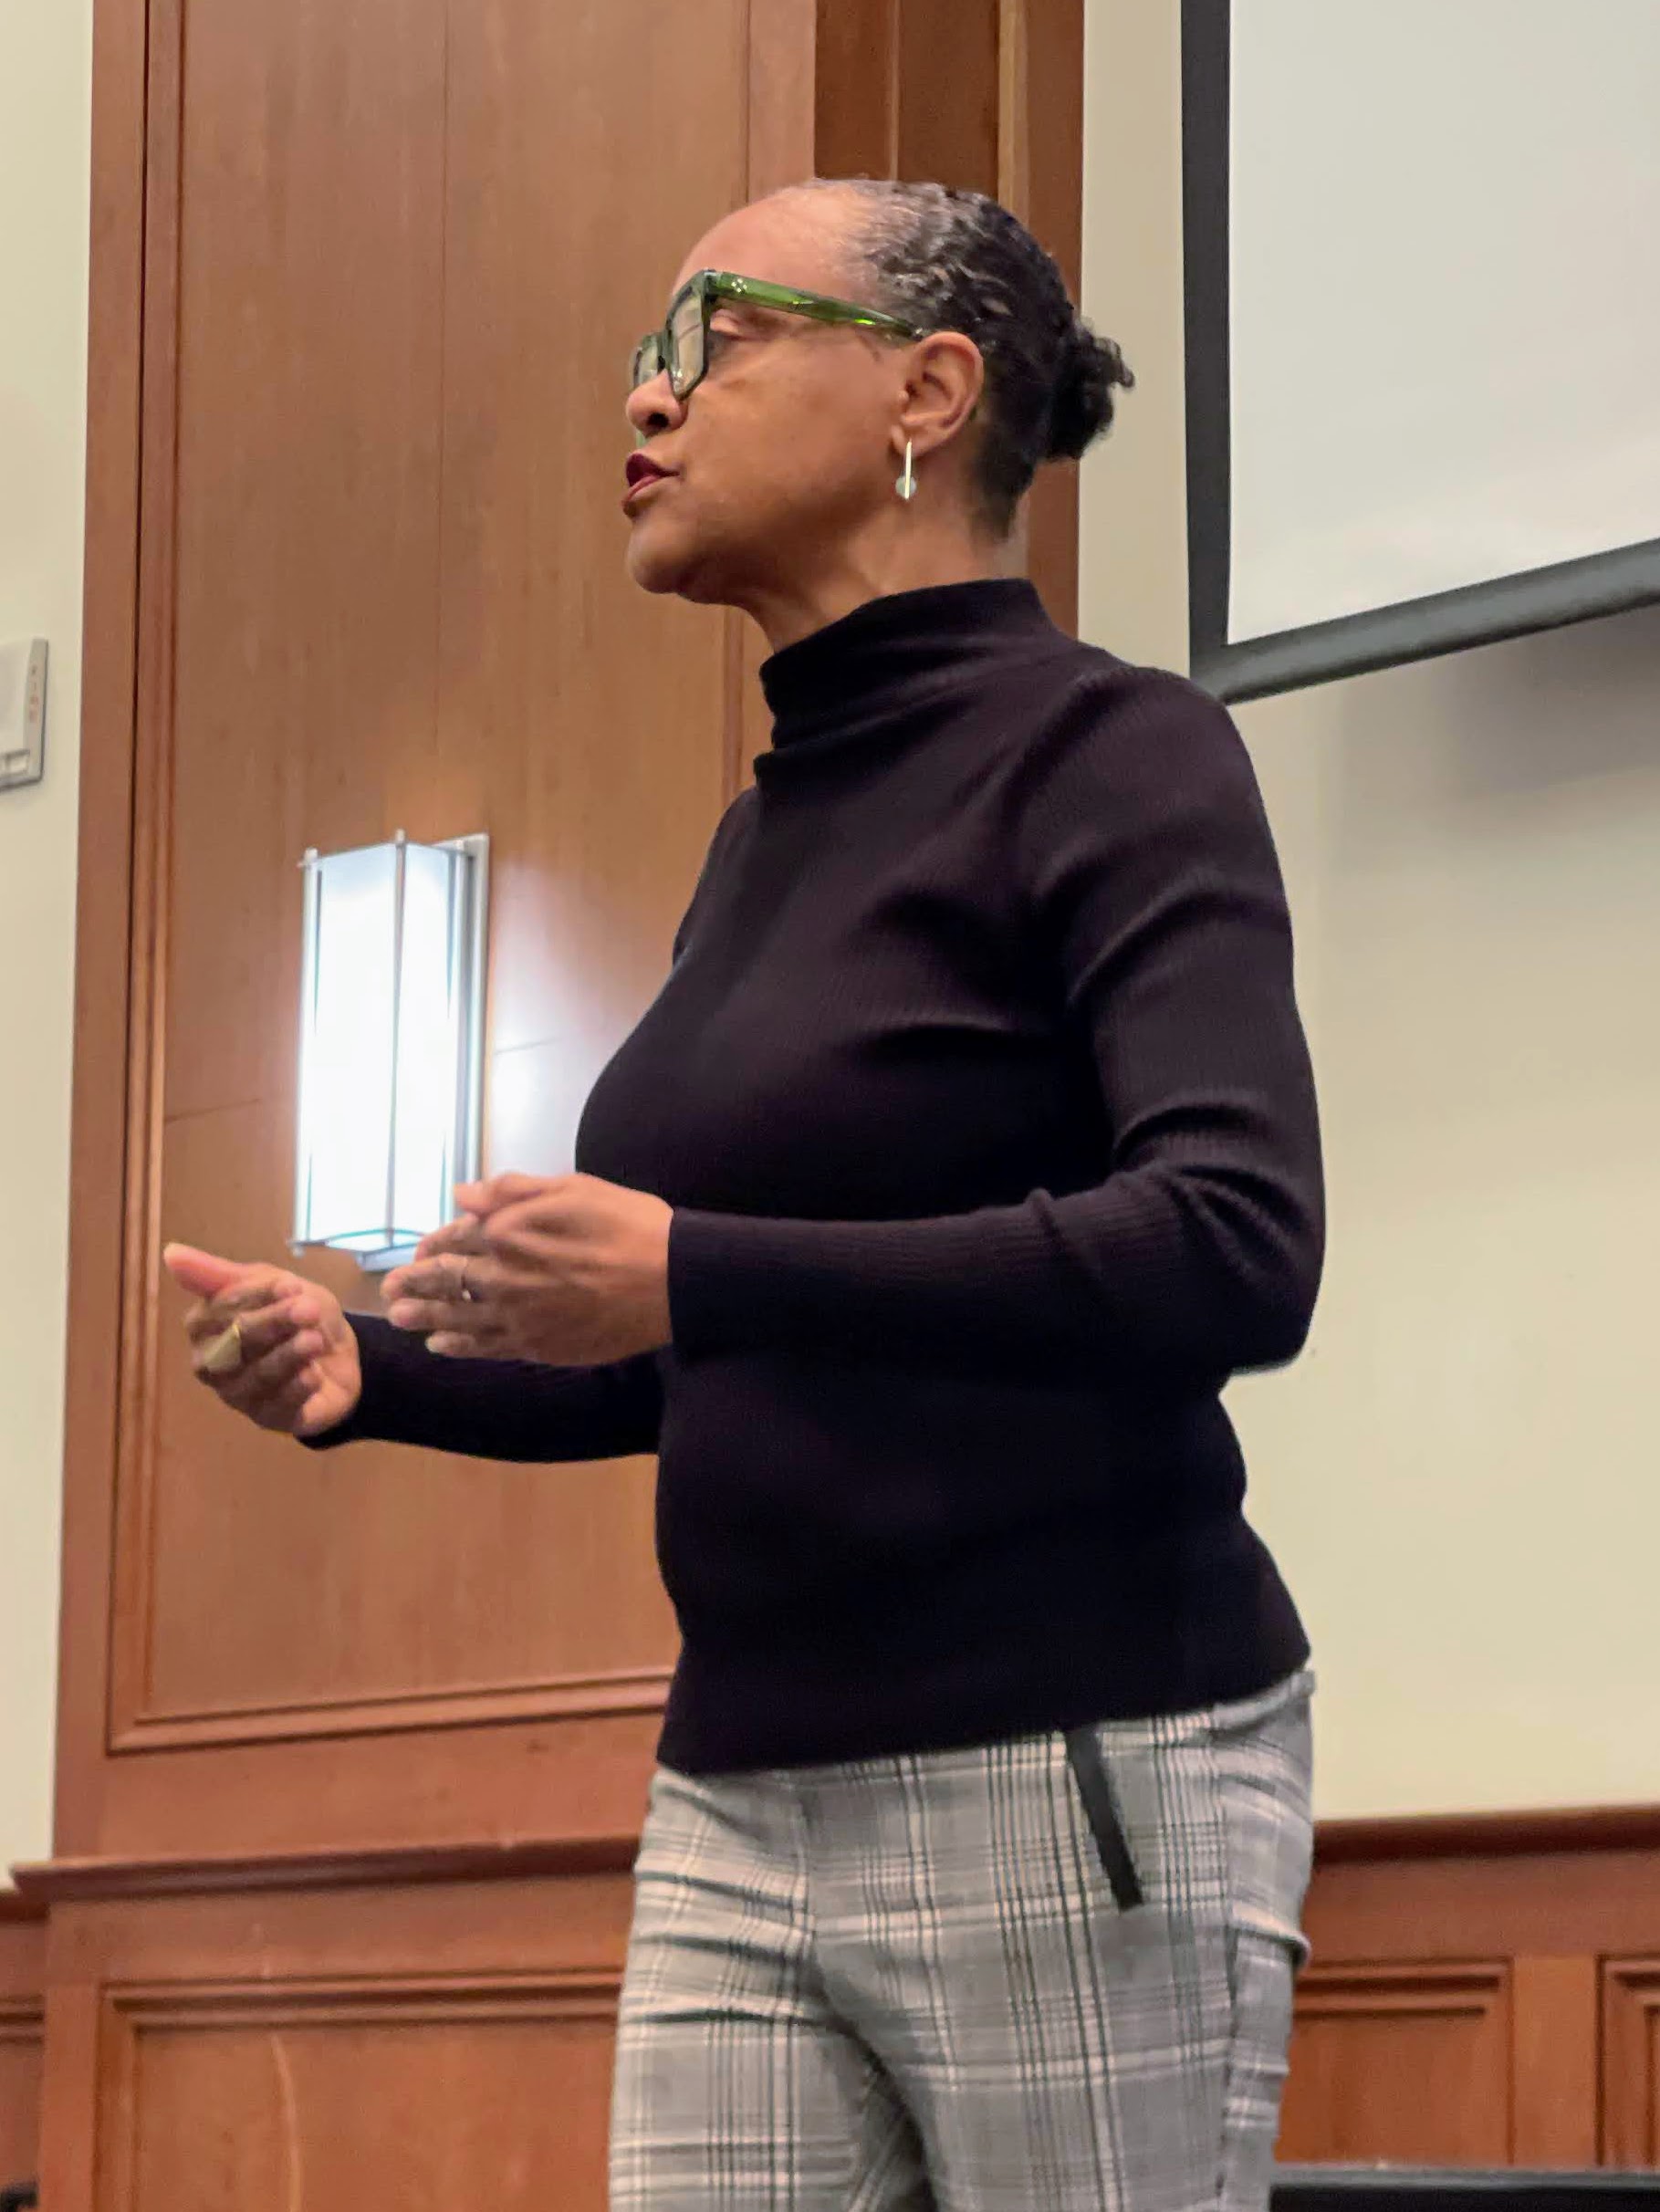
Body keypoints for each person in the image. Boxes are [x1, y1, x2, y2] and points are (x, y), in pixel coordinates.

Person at [166, 178, 1322, 2212]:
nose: (646, 397)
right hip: (739, 1793)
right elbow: (696, 1347)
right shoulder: (759, 839)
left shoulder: (1116, 755)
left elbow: (1234, 1245)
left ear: (927, 393)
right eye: (646, 357)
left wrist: (698, 1267)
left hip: (1074, 1755)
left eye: (712, 339)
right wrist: (373, 1371)